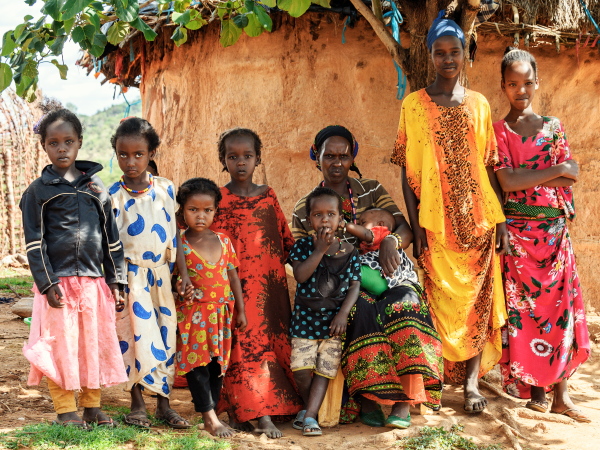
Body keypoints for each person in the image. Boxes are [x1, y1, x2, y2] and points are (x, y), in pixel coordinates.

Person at [391, 11, 509, 414]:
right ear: (429, 56)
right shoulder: (413, 106)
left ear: (464, 54)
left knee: (477, 303)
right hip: (435, 227)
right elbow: (408, 174)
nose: (447, 59)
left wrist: (502, 221)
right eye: (439, 52)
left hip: (478, 224)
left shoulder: (479, 105)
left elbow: (491, 166)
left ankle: (473, 384)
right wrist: (416, 224)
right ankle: (436, 379)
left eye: (454, 52)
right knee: (436, 302)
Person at [292, 125, 443, 429]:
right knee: (359, 310)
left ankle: (405, 402)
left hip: (389, 270)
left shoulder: (371, 188)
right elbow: (301, 253)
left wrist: (392, 241)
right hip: (343, 283)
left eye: (344, 156)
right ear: (316, 156)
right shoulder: (306, 207)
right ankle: (369, 399)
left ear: (353, 157)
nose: (337, 163)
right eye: (329, 156)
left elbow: (403, 226)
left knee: (407, 304)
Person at [493, 47, 590, 422]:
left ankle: (562, 396)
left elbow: (575, 173)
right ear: (503, 86)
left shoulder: (553, 126)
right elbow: (507, 180)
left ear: (538, 82)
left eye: (528, 82)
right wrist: (554, 169)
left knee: (561, 311)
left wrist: (537, 175)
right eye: (513, 84)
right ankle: (536, 393)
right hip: (519, 238)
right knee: (527, 313)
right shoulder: (499, 131)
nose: (521, 90)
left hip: (554, 234)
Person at [20, 99, 128, 429]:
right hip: (58, 284)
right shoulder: (37, 192)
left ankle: (93, 407)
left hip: (95, 283)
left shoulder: (97, 190)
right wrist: (47, 283)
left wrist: (117, 281)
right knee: (59, 345)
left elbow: (112, 241)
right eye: (54, 143)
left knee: (93, 342)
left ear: (79, 142)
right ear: (44, 147)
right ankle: (66, 409)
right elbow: (34, 244)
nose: (62, 149)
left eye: (68, 142)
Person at [210, 128, 303, 438]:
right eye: (232, 157)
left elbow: (285, 240)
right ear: (223, 161)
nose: (240, 162)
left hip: (271, 285)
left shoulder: (268, 195)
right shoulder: (218, 199)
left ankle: (265, 406)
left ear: (258, 159)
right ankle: (258, 411)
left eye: (247, 156)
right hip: (235, 287)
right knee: (243, 345)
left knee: (272, 346)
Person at [109, 117, 193, 429]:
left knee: (165, 336)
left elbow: (176, 236)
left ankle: (164, 404)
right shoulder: (112, 197)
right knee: (133, 339)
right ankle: (137, 404)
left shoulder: (166, 189)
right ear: (116, 154)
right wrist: (116, 283)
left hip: (161, 276)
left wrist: (181, 275)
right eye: (123, 154)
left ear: (152, 153)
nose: (130, 162)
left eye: (138, 154)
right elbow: (110, 246)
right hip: (131, 278)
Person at [174, 177, 248, 436]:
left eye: (208, 210)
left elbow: (233, 276)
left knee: (217, 367)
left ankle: (211, 413)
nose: (201, 215)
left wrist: (241, 309)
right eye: (193, 210)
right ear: (183, 210)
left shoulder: (224, 241)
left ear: (216, 210)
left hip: (222, 316)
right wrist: (179, 287)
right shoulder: (179, 244)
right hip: (194, 316)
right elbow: (175, 280)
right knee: (198, 366)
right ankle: (208, 415)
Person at [289, 187, 362, 436]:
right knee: (300, 370)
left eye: (331, 214)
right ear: (309, 219)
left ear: (341, 219)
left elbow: (355, 286)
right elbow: (300, 275)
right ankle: (311, 409)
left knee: (324, 371)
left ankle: (309, 417)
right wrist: (319, 249)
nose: (324, 220)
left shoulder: (350, 252)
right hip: (304, 322)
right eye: (318, 215)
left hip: (333, 324)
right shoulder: (302, 247)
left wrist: (343, 314)